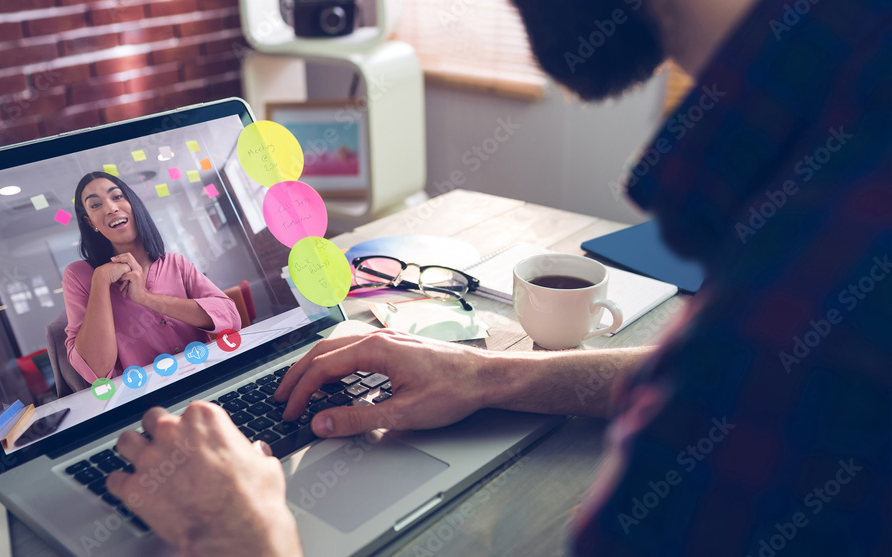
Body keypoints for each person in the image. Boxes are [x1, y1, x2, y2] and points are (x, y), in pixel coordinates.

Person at [104, 0, 891, 555]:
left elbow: (752, 376)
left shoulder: (793, 303)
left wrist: (245, 539)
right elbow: (729, 379)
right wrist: (487, 373)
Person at [62, 172, 241, 383]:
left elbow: (231, 318)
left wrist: (146, 298)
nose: (111, 208)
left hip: (208, 379)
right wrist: (100, 280)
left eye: (117, 196)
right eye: (95, 205)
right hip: (148, 401)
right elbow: (96, 370)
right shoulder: (80, 276)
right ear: (90, 222)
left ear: (133, 204)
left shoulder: (176, 263)